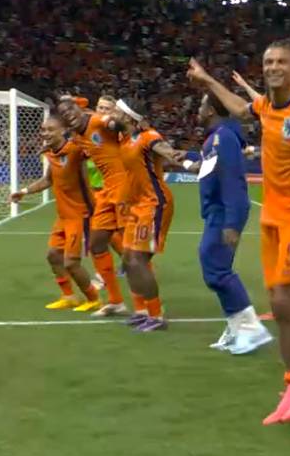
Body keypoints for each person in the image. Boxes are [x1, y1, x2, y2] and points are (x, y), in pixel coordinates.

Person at [189, 48, 290, 425]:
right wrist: (207, 80)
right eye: (267, 62)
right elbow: (239, 109)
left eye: (281, 61)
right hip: (272, 214)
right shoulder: (267, 107)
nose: (273, 67)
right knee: (278, 303)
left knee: (288, 300)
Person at [189, 93, 271, 355]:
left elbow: (233, 181)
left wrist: (232, 223)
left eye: (202, 105)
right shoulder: (217, 138)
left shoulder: (223, 138)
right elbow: (213, 171)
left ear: (212, 110)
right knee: (214, 267)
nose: (198, 110)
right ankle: (237, 328)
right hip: (217, 212)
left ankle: (250, 330)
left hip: (224, 213)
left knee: (216, 269)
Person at [8, 115, 101, 312]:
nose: (45, 133)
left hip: (81, 215)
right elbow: (47, 180)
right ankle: (68, 296)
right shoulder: (51, 153)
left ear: (63, 131)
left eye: (50, 129)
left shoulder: (75, 150)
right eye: (43, 130)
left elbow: (94, 148)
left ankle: (93, 298)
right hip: (63, 216)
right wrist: (24, 192)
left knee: (71, 263)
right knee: (53, 256)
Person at [109, 99, 179, 332]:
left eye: (116, 112)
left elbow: (165, 149)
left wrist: (179, 157)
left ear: (129, 118)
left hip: (154, 204)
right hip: (137, 206)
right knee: (129, 260)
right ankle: (142, 311)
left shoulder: (148, 136)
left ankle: (157, 317)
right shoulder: (125, 139)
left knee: (138, 260)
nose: (112, 115)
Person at [56, 95, 129, 316]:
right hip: (107, 191)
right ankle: (116, 301)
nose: (69, 117)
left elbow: (119, 125)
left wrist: (116, 120)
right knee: (97, 243)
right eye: (64, 117)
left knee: (133, 250)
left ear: (81, 110)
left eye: (71, 111)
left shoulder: (98, 121)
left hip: (125, 185)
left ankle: (150, 307)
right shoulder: (77, 137)